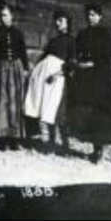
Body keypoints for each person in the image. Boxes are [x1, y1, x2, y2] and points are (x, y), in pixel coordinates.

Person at [67, 3, 111, 163]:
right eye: (88, 14)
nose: (90, 17)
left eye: (94, 14)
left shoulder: (104, 34)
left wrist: (90, 64)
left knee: (99, 112)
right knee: (84, 110)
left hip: (100, 78)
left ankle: (98, 147)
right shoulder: (82, 34)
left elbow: (106, 58)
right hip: (84, 78)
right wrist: (76, 63)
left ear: (100, 17)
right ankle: (87, 142)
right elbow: (77, 53)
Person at [23, 10, 73, 153]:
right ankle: (47, 142)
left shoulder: (71, 40)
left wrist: (57, 74)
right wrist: (35, 70)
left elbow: (71, 63)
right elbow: (44, 58)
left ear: (68, 23)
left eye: (61, 20)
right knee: (42, 107)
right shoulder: (53, 41)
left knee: (53, 109)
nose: (58, 23)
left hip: (57, 78)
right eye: (56, 20)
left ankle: (61, 144)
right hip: (43, 78)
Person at [0, 3, 28, 148]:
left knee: (15, 101)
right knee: (3, 101)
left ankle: (15, 138)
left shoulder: (18, 33)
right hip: (2, 68)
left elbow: (23, 51)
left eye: (5, 15)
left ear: (12, 16)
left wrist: (25, 69)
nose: (3, 18)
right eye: (1, 15)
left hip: (16, 68)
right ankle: (2, 138)